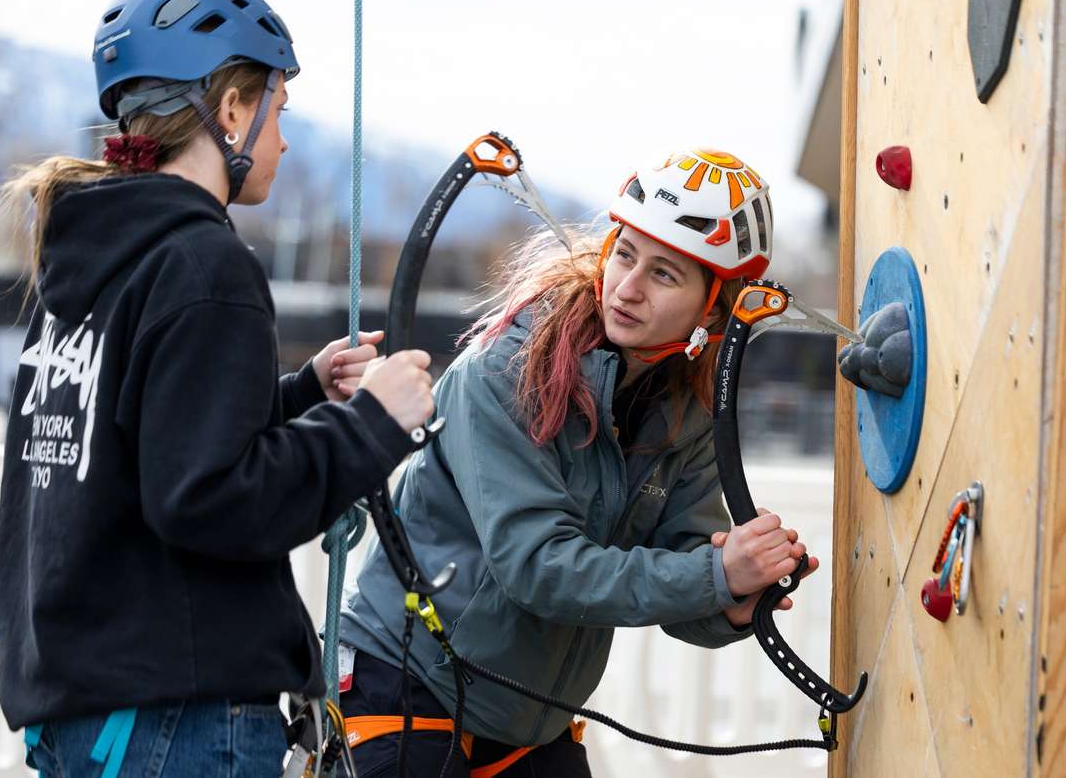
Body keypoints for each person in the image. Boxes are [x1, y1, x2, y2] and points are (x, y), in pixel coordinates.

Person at [0, 0, 433, 777]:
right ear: (232, 109)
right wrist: (373, 423)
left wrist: (303, 395)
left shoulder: (82, 258)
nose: (283, 140)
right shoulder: (205, 262)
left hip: (88, 716)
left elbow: (145, 439)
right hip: (178, 724)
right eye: (278, 111)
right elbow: (210, 498)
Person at [338, 149, 818, 776]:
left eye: (665, 274)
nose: (627, 287)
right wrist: (714, 575)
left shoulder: (688, 413)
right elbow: (537, 566)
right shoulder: (507, 370)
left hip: (529, 720)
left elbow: (687, 566)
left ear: (715, 308)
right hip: (406, 686)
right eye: (624, 254)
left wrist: (729, 599)